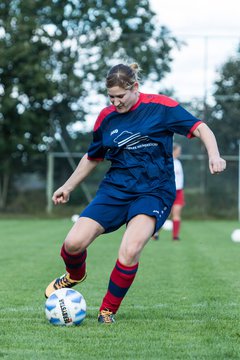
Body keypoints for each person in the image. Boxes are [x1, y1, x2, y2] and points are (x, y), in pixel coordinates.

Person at [45, 62, 226, 324]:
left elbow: (201, 128)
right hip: (116, 189)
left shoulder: (161, 107)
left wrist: (215, 155)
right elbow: (93, 156)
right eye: (111, 97)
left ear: (135, 88)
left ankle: (107, 310)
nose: (116, 102)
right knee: (73, 244)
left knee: (130, 249)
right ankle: (74, 275)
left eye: (121, 96)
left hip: (154, 190)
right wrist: (67, 186)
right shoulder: (106, 117)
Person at [152, 142, 185, 241]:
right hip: (168, 192)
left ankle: (175, 236)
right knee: (165, 214)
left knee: (177, 213)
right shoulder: (166, 162)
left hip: (178, 191)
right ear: (173, 150)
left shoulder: (178, 162)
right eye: (178, 150)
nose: (180, 152)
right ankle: (155, 232)